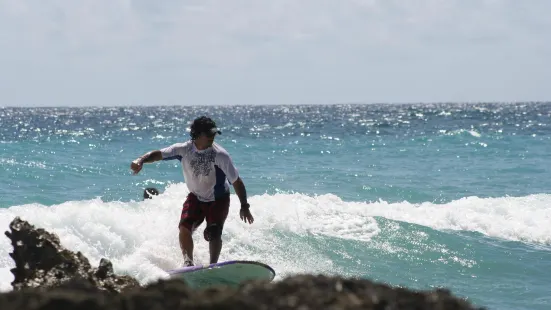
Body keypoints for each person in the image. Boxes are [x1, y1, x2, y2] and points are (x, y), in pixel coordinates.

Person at [130, 116, 254, 266]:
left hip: (219, 199)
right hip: (196, 197)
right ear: (198, 135)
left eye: (214, 134)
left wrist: (244, 206)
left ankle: (213, 265)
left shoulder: (221, 155)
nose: (212, 137)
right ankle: (188, 262)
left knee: (213, 232)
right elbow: (158, 154)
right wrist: (141, 160)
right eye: (209, 134)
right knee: (184, 227)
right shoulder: (183, 150)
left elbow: (236, 181)